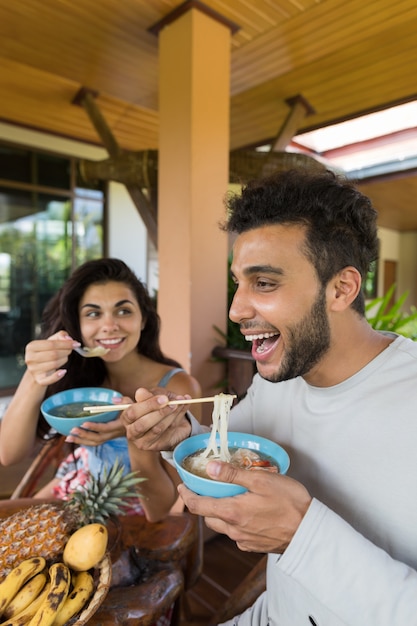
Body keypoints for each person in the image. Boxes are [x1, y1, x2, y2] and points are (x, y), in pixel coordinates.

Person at [120, 169, 417, 625]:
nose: (236, 309)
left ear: (342, 288)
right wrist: (180, 432)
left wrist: (302, 535)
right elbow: (225, 453)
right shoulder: (279, 379)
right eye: (239, 282)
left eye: (264, 283)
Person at [0, 258, 201, 522]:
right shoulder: (82, 376)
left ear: (143, 319)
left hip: (130, 520)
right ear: (78, 328)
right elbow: (9, 454)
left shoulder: (177, 388)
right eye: (93, 313)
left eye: (123, 311)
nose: (109, 325)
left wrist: (135, 432)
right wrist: (34, 375)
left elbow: (159, 510)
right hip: (76, 485)